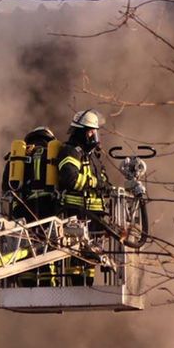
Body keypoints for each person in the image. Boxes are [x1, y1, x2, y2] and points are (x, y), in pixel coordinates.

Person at [56, 110, 109, 285]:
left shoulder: (92, 156)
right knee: (77, 255)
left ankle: (88, 286)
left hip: (94, 213)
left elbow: (103, 180)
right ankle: (77, 286)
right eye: (91, 131)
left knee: (91, 256)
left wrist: (105, 186)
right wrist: (94, 183)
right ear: (83, 132)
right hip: (77, 212)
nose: (94, 136)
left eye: (95, 132)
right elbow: (70, 179)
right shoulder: (70, 151)